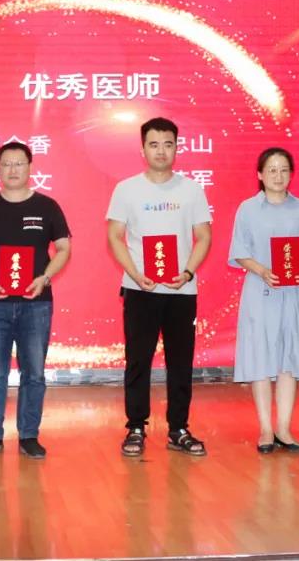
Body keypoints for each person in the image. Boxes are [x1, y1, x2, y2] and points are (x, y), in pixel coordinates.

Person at [107, 117, 212, 457]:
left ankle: (178, 428)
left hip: (181, 290)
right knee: (138, 360)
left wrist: (188, 271)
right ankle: (136, 427)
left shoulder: (191, 189)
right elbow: (114, 236)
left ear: (177, 147)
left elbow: (204, 236)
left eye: (168, 144)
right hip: (141, 290)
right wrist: (135, 274)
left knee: (180, 362)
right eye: (154, 144)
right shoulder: (126, 189)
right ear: (143, 149)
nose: (161, 151)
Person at [0, 141, 71, 459]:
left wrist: (45, 277)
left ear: (30, 167)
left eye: (19, 163)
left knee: (34, 373)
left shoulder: (48, 207)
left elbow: (64, 248)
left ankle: (29, 435)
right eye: (6, 164)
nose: (13, 169)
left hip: (36, 303)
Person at [228, 147, 299, 454]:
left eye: (284, 170)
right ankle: (265, 429)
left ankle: (284, 428)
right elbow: (239, 251)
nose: (278, 176)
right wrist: (261, 271)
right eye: (271, 170)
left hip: (294, 292)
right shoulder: (247, 209)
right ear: (260, 174)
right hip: (261, 291)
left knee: (289, 359)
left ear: (291, 174)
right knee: (260, 358)